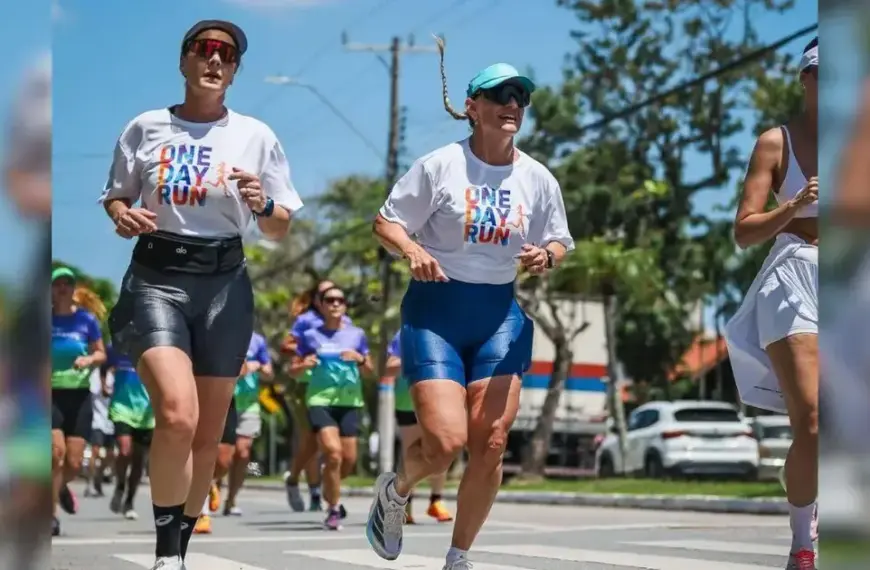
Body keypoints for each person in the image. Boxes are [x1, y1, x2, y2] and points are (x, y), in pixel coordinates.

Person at [98, 19, 303, 570]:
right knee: (177, 415)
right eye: (204, 49)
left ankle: (181, 550)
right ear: (184, 60)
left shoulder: (256, 136)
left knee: (208, 437)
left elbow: (280, 225)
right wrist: (124, 214)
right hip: (156, 277)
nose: (216, 60)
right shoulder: (145, 127)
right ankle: (167, 556)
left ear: (235, 70)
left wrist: (262, 203)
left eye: (227, 54)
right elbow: (115, 197)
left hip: (225, 284)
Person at [364, 37, 573, 570]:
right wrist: (411, 249)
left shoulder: (537, 177)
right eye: (500, 94)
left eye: (520, 97)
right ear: (472, 106)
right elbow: (385, 222)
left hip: (498, 316)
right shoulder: (440, 166)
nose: (512, 104)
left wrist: (545, 256)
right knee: (444, 443)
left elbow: (560, 241)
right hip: (435, 314)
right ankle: (398, 489)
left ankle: (458, 556)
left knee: (494, 441)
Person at [724, 37, 819, 570]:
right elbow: (743, 231)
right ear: (805, 79)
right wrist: (795, 205)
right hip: (793, 275)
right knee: (810, 421)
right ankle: (803, 543)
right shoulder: (775, 143)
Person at [289, 285, 372, 530]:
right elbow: (293, 370)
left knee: (348, 460)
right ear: (322, 306)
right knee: (333, 454)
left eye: (340, 300)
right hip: (320, 400)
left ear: (345, 306)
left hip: (349, 401)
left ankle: (329, 483)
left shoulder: (357, 334)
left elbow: (369, 372)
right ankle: (334, 509)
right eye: (329, 300)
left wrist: (361, 359)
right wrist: (304, 365)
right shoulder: (311, 336)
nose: (335, 304)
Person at [283, 280, 349, 512]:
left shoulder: (346, 322)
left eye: (338, 298)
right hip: (306, 386)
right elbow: (287, 346)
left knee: (334, 448)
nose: (333, 301)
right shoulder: (306, 322)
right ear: (317, 299)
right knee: (310, 440)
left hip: (338, 391)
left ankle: (324, 485)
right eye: (326, 296)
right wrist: (311, 350)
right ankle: (306, 487)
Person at [51, 269, 108, 537]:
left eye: (67, 284)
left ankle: (59, 487)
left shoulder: (86, 320)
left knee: (73, 464)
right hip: (49, 393)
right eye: (57, 284)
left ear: (73, 289)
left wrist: (87, 360)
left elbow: (100, 353)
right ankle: (50, 515)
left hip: (79, 394)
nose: (62, 288)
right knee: (55, 453)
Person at [385, 331, 454, 525]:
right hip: (409, 402)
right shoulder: (405, 335)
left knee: (443, 449)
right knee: (411, 454)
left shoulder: (450, 331)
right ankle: (404, 503)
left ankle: (436, 500)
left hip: (440, 401)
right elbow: (390, 368)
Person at [105, 343, 154, 521]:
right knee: (125, 450)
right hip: (122, 407)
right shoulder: (117, 347)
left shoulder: (156, 347)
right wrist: (104, 384)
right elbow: (104, 365)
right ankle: (119, 485)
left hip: (148, 413)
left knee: (139, 462)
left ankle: (129, 501)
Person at [86, 364, 115, 498]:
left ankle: (98, 476)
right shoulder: (96, 375)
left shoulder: (117, 376)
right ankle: (90, 483)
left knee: (111, 455)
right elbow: (91, 394)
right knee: (95, 451)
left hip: (112, 420)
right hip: (97, 419)